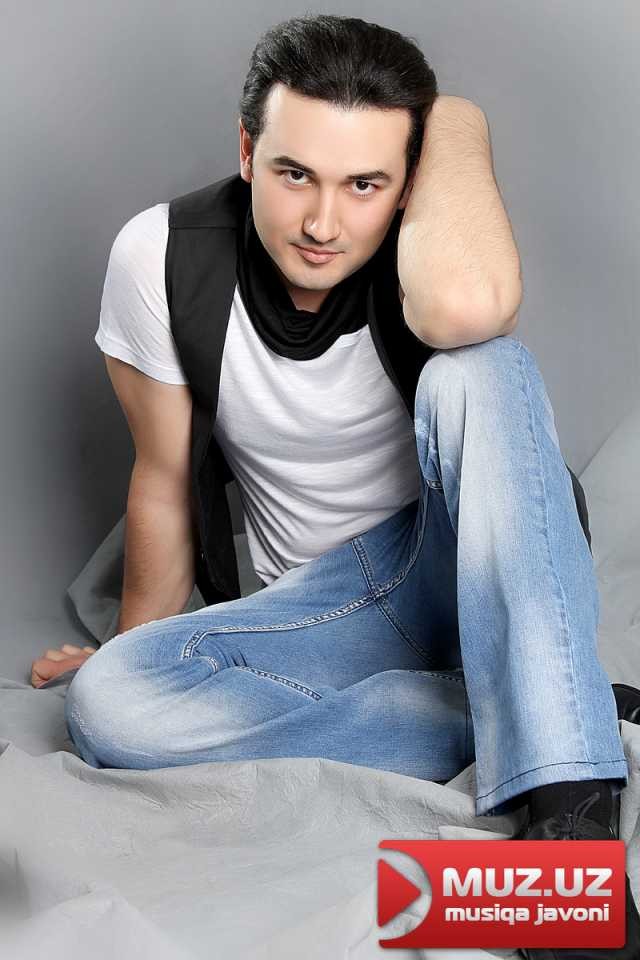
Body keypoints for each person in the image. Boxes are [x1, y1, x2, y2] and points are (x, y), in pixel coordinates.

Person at [34, 15, 639, 956]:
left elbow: (471, 309)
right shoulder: (162, 256)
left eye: (365, 184)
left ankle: (568, 837)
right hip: (320, 617)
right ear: (248, 152)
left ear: (409, 180)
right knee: (107, 705)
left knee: (482, 366)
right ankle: (545, 697)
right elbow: (161, 477)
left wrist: (459, 120)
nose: (323, 224)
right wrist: (142, 652)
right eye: (295, 175)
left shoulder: (426, 253)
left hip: (461, 558)